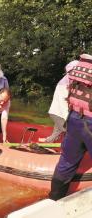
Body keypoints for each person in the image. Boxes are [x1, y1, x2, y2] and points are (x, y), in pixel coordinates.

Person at [49, 54, 92, 200]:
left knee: (66, 162)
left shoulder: (80, 67)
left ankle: (54, 199)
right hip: (90, 123)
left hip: (74, 118)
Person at [39, 60, 79, 143]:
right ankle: (70, 149)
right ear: (71, 71)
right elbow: (63, 103)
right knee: (69, 130)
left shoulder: (71, 80)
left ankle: (45, 143)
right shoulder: (65, 83)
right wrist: (67, 118)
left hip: (59, 112)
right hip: (59, 113)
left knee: (56, 133)